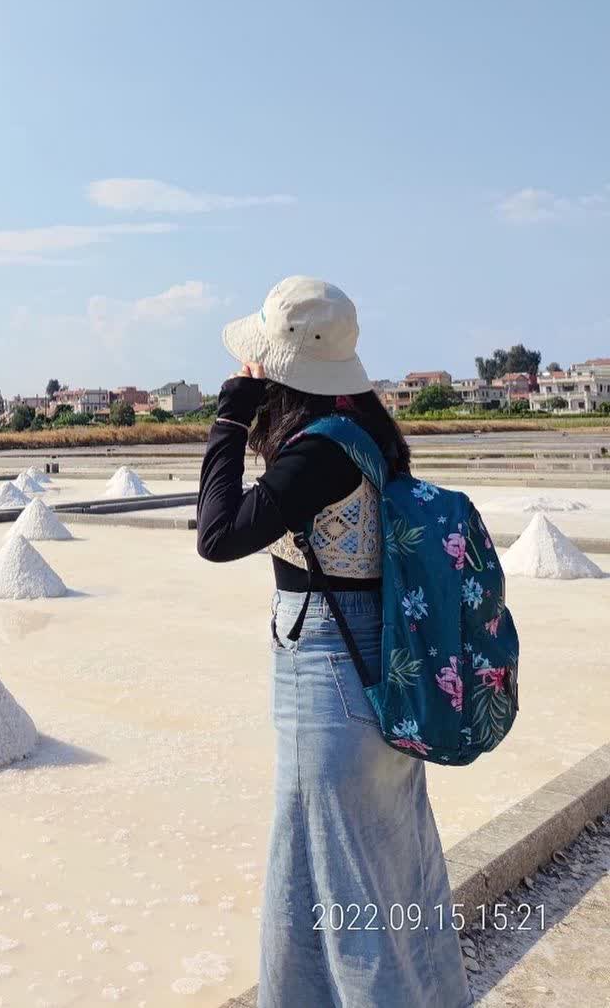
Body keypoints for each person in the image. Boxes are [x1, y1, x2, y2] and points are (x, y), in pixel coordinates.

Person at [197, 276, 471, 1008]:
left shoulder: (319, 452)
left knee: (342, 886)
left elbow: (217, 535)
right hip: (382, 658)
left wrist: (230, 417)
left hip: (330, 666)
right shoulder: (368, 431)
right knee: (386, 861)